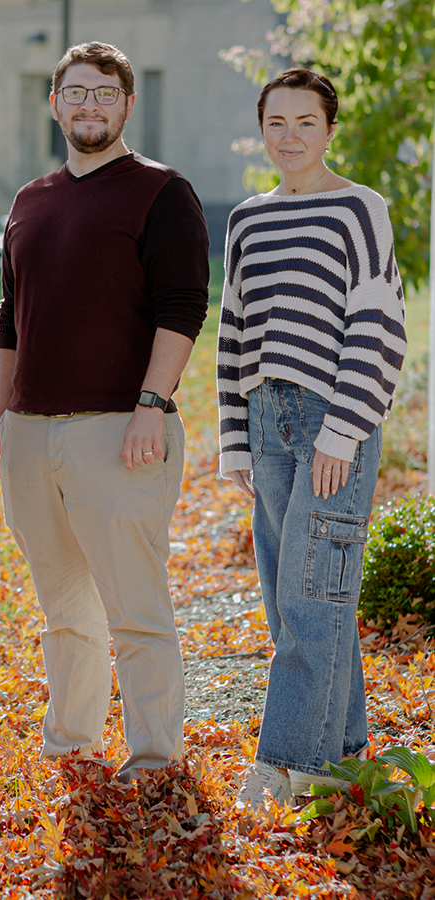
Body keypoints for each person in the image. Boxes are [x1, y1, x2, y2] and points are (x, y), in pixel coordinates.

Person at [0, 42, 209, 783]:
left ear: (126, 104)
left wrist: (153, 402)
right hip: (30, 433)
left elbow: (183, 307)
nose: (89, 106)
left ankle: (154, 759)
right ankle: (72, 748)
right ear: (55, 103)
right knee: (63, 608)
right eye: (76, 93)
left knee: (135, 607)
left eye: (104, 93)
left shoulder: (160, 191)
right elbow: (13, 320)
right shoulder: (30, 199)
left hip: (120, 430)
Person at [217, 69, 406, 808]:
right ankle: (346, 749)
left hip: (334, 421)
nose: (289, 136)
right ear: (261, 129)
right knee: (297, 598)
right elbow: (234, 334)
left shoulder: (360, 210)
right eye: (276, 123)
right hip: (266, 422)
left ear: (331, 129)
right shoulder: (246, 220)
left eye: (305, 122)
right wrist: (236, 440)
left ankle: (289, 762)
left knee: (308, 596)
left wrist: (342, 431)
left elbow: (379, 325)